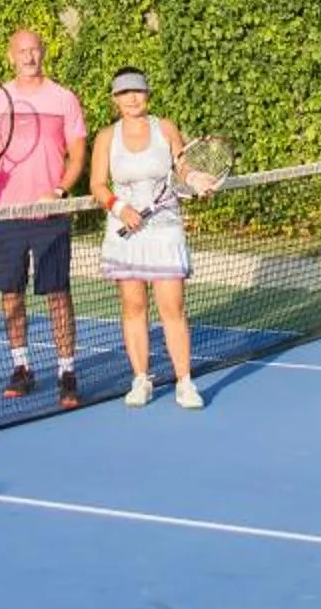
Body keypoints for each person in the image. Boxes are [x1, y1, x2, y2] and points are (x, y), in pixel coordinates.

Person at [0, 27, 86, 408]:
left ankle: (66, 371)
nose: (29, 56)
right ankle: (21, 367)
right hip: (6, 213)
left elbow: (77, 152)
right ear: (10, 56)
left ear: (44, 53)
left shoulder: (64, 98)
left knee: (57, 294)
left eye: (35, 49)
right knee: (11, 297)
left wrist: (60, 189)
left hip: (49, 213)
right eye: (22, 51)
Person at [89, 67, 199, 409]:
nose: (132, 98)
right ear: (115, 100)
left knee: (172, 307)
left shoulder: (164, 128)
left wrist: (197, 179)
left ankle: (184, 382)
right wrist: (119, 207)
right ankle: (141, 379)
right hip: (125, 233)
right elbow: (97, 184)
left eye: (137, 91)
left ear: (147, 94)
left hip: (164, 230)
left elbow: (183, 167)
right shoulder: (107, 137)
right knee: (133, 306)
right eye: (124, 93)